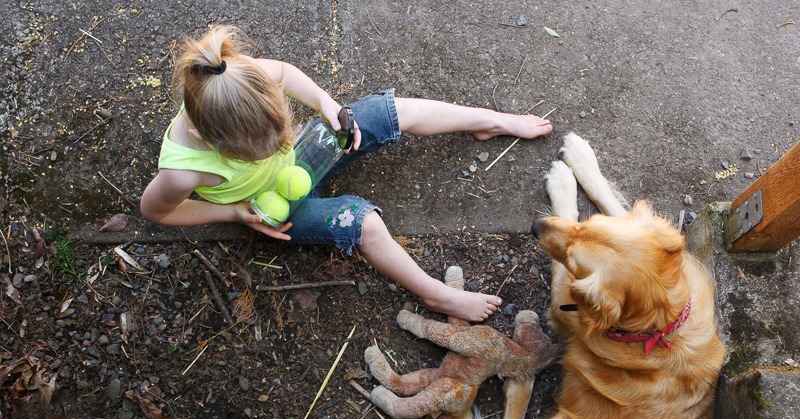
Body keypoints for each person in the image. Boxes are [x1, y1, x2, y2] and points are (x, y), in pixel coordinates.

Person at [141, 26, 552, 322]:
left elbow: (284, 72)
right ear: (204, 137)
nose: (279, 145)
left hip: (302, 162)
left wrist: (327, 105)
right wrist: (232, 214)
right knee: (365, 224)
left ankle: (491, 121)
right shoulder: (182, 171)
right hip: (271, 207)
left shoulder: (234, 77)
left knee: (389, 112)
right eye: (258, 151)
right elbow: (157, 212)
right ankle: (437, 295)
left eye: (280, 132)